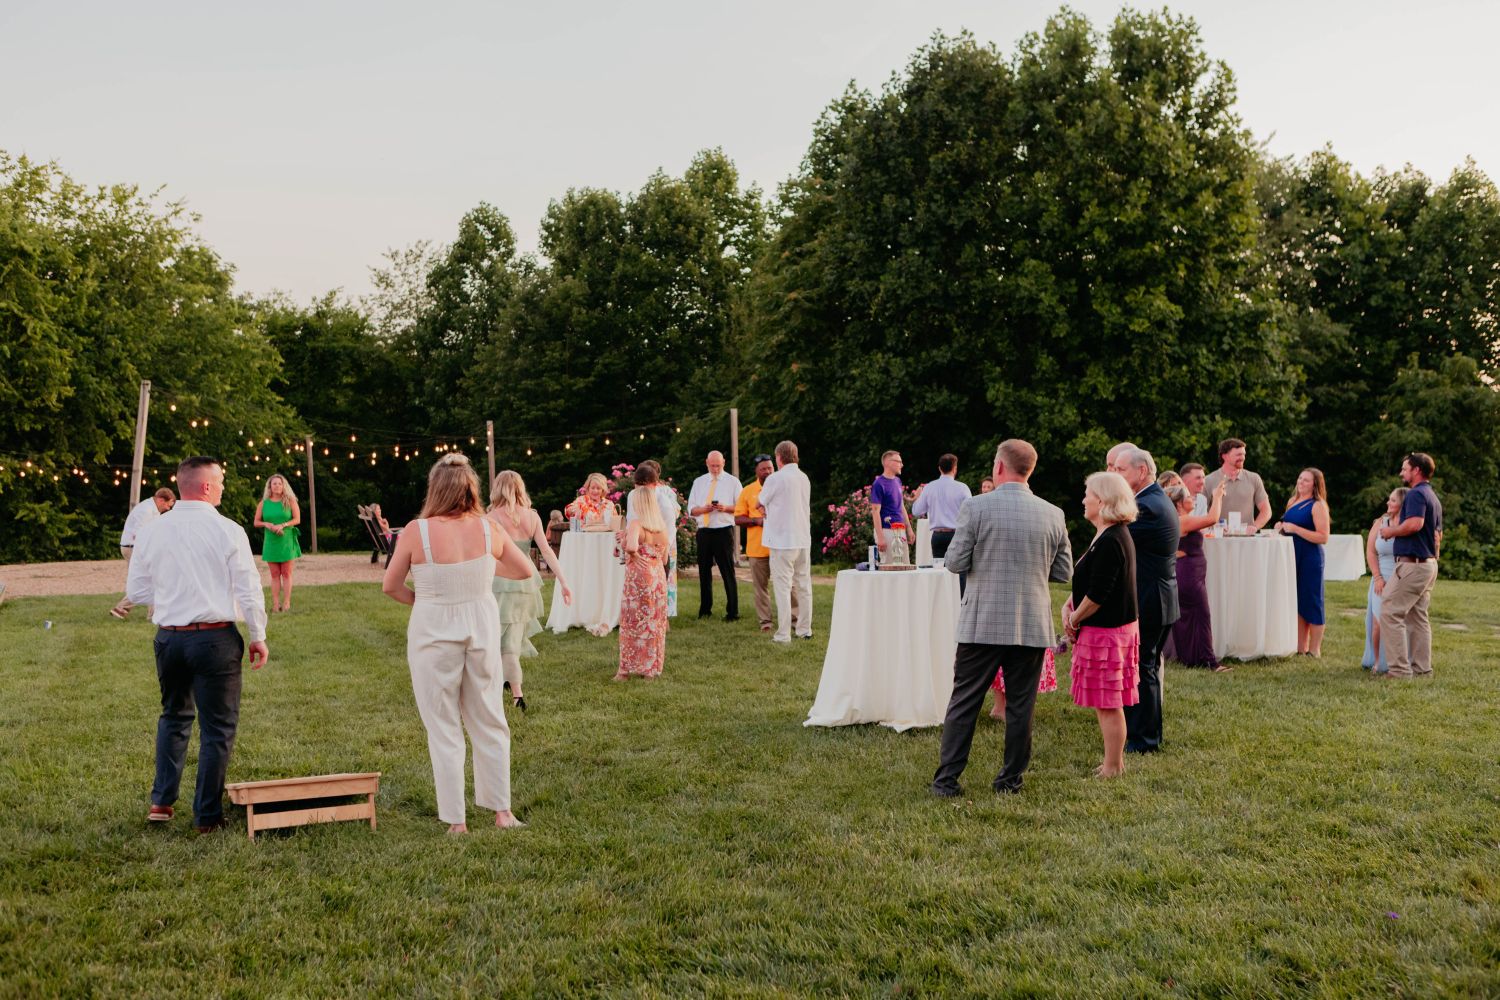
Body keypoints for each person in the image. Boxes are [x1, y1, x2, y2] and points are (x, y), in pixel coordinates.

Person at [382, 453, 534, 833]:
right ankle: (503, 813)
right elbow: (524, 569)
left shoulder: (416, 531)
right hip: (480, 626)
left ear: (435, 489)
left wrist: (423, 599)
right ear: (472, 489)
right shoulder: (489, 528)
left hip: (432, 629)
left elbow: (391, 585)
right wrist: (482, 571)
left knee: (443, 724)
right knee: (489, 717)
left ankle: (457, 822)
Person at [126, 457, 267, 833]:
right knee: (218, 727)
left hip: (169, 638)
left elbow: (136, 591)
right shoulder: (228, 530)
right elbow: (249, 588)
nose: (223, 487)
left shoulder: (152, 531)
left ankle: (161, 801)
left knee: (173, 716)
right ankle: (206, 816)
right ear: (206, 486)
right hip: (214, 638)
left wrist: (172, 595)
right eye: (220, 481)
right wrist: (258, 635)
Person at [931, 439, 1072, 798]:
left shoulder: (976, 507)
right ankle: (1010, 780)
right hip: (1032, 622)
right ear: (1030, 470)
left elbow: (954, 562)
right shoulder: (1053, 513)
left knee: (965, 701)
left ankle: (947, 781)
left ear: (998, 467)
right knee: (1022, 706)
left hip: (983, 621)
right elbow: (1063, 571)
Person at [1063, 471, 1140, 778]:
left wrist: (1074, 618)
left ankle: (1113, 766)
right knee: (1104, 701)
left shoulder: (1112, 539)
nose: (1083, 500)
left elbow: (1098, 594)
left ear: (1103, 500)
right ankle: (1113, 762)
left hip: (1108, 634)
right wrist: (1069, 604)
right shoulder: (1106, 535)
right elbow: (1092, 582)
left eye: (1088, 494)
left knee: (1109, 703)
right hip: (1107, 631)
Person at [1109, 446, 1178, 754]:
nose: (1116, 475)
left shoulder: (1147, 506)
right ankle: (1147, 734)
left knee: (1143, 669)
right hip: (1158, 596)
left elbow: (1114, 541)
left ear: (1142, 471)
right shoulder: (1153, 500)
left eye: (1121, 469)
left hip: (1152, 598)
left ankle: (1144, 740)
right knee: (1145, 668)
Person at [486, 470, 571, 711]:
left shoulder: (490, 517)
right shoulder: (532, 517)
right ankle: (511, 688)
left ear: (497, 489)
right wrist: (563, 582)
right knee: (510, 639)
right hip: (525, 583)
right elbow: (547, 551)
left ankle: (511, 692)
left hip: (499, 580)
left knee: (498, 638)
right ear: (520, 489)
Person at [1378, 452, 1443, 679]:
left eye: (1405, 469)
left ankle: (1399, 670)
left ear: (1416, 470)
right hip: (1428, 564)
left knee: (1389, 610)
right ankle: (1422, 669)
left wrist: (1390, 531)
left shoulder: (1416, 494)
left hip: (1413, 565)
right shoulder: (1432, 496)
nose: (1401, 473)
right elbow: (1438, 535)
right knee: (1417, 617)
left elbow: (1415, 524)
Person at [1168, 477, 1229, 670]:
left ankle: (1191, 658)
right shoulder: (1183, 520)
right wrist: (1217, 497)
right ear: (1179, 504)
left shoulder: (1181, 520)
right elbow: (1212, 518)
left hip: (1189, 572)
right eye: (1188, 497)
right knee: (1202, 615)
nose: (1192, 499)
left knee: (1189, 617)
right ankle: (1210, 662)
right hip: (1188, 574)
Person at [758, 440, 813, 643]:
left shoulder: (775, 478)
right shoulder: (804, 477)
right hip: (802, 538)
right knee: (804, 585)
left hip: (782, 540)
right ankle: (804, 629)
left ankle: (783, 634)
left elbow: (759, 501)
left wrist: (764, 508)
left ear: (779, 457)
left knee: (782, 587)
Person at [734, 454, 797, 632]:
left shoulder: (783, 487)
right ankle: (766, 622)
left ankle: (795, 620)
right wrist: (756, 521)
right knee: (760, 588)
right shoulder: (748, 491)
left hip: (781, 546)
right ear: (756, 471)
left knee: (788, 584)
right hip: (757, 549)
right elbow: (737, 518)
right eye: (763, 469)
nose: (768, 471)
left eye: (770, 468)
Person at [1276, 468, 1331, 656]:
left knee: (1313, 601)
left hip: (1310, 558)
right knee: (1298, 600)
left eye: (1306, 480)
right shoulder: (1292, 501)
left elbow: (1323, 537)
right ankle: (1301, 647)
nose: (1301, 482)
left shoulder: (1318, 505)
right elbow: (1287, 526)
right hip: (1293, 556)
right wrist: (1280, 526)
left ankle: (1315, 650)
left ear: (1315, 484)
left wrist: (1296, 529)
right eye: (1300, 478)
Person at [617, 484, 670, 680]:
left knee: (632, 622)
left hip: (638, 578)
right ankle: (650, 669)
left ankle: (624, 671)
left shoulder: (636, 524)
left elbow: (631, 546)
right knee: (654, 622)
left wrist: (632, 552)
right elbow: (665, 559)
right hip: (658, 576)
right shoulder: (662, 527)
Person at [687, 450, 742, 621]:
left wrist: (725, 508)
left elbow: (741, 507)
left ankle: (732, 612)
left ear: (724, 463)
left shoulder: (733, 482)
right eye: (712, 466)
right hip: (704, 531)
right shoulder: (699, 482)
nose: (716, 469)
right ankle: (705, 610)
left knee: (727, 571)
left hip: (723, 530)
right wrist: (704, 509)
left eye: (718, 465)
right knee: (704, 572)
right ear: (707, 463)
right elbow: (691, 510)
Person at [626, 460, 682, 618]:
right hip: (636, 550)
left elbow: (669, 534)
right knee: (637, 597)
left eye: (645, 485)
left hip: (656, 554)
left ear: (655, 484)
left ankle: (661, 621)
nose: (640, 490)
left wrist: (661, 557)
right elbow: (630, 521)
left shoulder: (664, 504)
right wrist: (626, 537)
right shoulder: (632, 496)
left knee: (656, 596)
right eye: (637, 485)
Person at [1363, 487, 1409, 674]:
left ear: (1402, 505)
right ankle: (1378, 662)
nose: (1388, 503)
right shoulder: (1381, 522)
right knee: (1378, 623)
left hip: (1402, 577)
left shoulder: (1409, 525)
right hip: (1380, 578)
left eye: (1393, 500)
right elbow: (1370, 551)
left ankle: (1400, 661)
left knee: (1400, 622)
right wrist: (1377, 577)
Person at [110, 487, 175, 619]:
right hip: (133, 548)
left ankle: (152, 613)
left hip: (135, 547)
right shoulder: (146, 511)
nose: (168, 509)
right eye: (168, 505)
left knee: (151, 579)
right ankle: (122, 609)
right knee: (148, 579)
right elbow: (140, 534)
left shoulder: (152, 510)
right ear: (161, 500)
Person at [253, 474, 302, 612]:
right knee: (274, 574)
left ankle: (286, 603)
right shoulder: (263, 503)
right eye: (274, 483)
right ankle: (275, 604)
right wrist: (267, 524)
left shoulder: (290, 501)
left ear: (283, 486)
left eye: (280, 483)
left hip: (286, 540)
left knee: (286, 573)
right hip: (271, 541)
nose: (277, 486)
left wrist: (283, 525)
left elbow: (297, 519)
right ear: (270, 486)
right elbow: (256, 522)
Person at [912, 454, 972, 561]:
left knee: (939, 570)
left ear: (939, 469)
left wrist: (917, 497)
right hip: (957, 535)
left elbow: (916, 511)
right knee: (957, 569)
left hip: (938, 536)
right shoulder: (963, 488)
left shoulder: (929, 487)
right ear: (954, 468)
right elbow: (971, 512)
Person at [1203, 438, 1271, 531]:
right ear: (1225, 456)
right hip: (1218, 537)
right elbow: (1200, 512)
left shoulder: (1254, 478)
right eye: (1238, 454)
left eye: (1244, 454)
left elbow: (1266, 510)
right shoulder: (1208, 480)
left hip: (1246, 537)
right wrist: (1217, 526)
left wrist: (1255, 526)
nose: (1243, 458)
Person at [869, 450, 915, 560]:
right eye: (899, 462)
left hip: (901, 530)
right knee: (889, 567)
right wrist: (880, 538)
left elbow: (901, 506)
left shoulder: (898, 481)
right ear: (888, 463)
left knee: (905, 566)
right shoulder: (878, 484)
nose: (902, 465)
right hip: (887, 531)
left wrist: (909, 529)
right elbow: (875, 512)